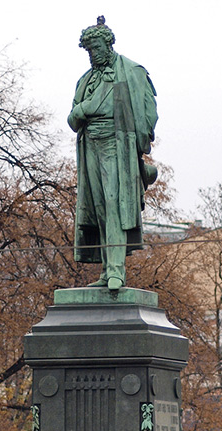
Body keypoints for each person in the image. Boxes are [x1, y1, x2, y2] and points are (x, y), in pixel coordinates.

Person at [68, 16, 158, 291]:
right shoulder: (85, 81)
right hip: (90, 147)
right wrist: (83, 110)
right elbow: (72, 121)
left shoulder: (131, 71)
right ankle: (107, 271)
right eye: (89, 50)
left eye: (96, 48)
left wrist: (139, 148)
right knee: (98, 208)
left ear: (108, 44)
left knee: (114, 203)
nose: (92, 55)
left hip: (116, 145)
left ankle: (117, 270)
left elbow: (148, 112)